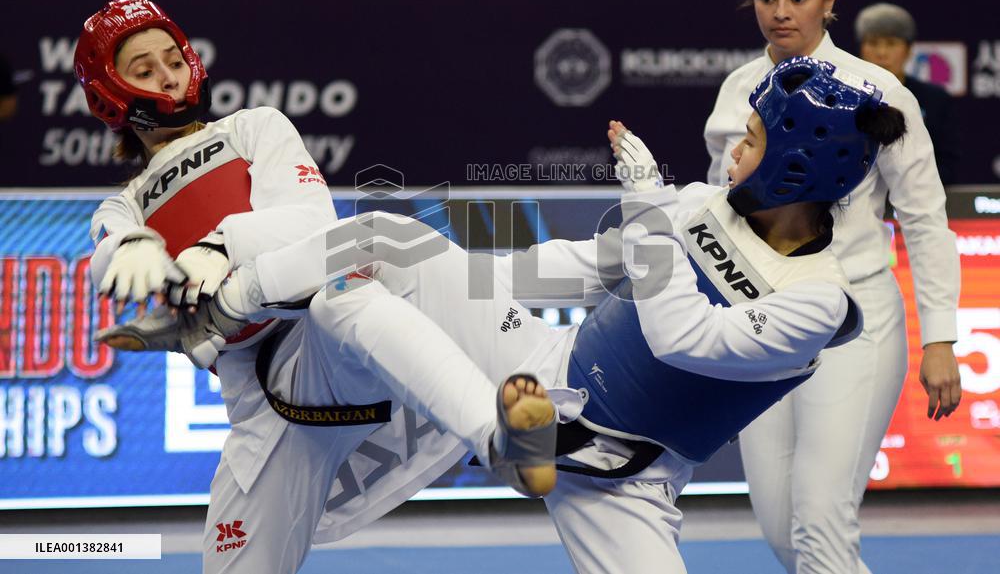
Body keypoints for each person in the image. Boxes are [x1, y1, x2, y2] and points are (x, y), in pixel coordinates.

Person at [123, 56, 907, 574]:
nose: (735, 146)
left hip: (624, 479)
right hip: (540, 377)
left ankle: (515, 437)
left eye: (755, 136)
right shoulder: (702, 203)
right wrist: (468, 278)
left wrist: (645, 203)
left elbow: (683, 336)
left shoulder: (820, 303)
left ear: (801, 164)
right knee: (374, 253)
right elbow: (594, 266)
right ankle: (230, 306)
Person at [79, 0, 555, 574]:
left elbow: (311, 224)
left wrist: (219, 244)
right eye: (144, 68)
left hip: (319, 345)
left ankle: (502, 435)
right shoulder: (122, 205)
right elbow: (107, 249)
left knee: (360, 276)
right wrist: (131, 248)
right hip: (259, 411)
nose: (168, 76)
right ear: (111, 91)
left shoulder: (253, 127)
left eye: (173, 59)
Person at [703, 0, 962, 574]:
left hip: (856, 322)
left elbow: (927, 219)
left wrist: (941, 339)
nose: (781, 12)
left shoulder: (881, 93)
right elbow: (723, 220)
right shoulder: (735, 92)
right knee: (781, 526)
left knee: (820, 517)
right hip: (763, 328)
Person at [855, 2, 961, 185]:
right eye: (873, 43)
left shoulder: (935, 99)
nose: (881, 53)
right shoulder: (844, 96)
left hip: (918, 196)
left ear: (909, 50)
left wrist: (908, 186)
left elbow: (947, 165)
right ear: (861, 48)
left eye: (891, 43)